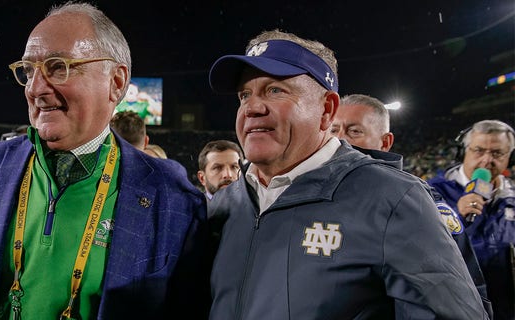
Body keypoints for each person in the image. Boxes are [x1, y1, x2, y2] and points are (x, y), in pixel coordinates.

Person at [0, 3, 209, 320]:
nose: (36, 88)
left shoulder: (173, 197)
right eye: (29, 71)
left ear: (116, 81)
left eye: (58, 67)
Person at [206, 29, 488, 319]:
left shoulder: (393, 199)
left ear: (327, 110)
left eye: (275, 90)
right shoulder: (226, 202)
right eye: (244, 95)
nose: (252, 107)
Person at [332, 93, 494, 317]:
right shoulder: (312, 192)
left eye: (354, 131)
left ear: (385, 142)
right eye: (333, 130)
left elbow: (463, 293)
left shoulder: (414, 199)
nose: (340, 140)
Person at [428, 119, 515, 320]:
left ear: (510, 158)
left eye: (497, 153)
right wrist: (456, 217)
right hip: (452, 307)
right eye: (478, 150)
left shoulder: (511, 197)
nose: (486, 160)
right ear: (463, 152)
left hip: (504, 309)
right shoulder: (432, 191)